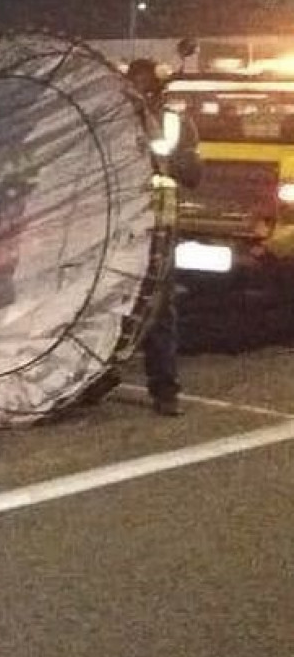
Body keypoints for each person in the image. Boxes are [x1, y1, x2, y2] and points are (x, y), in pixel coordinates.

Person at [128, 57, 201, 416]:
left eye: (145, 83)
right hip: (121, 229)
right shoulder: (110, 120)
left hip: (154, 227)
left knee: (157, 307)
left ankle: (164, 388)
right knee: (131, 307)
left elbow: (191, 171)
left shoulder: (171, 122)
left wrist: (173, 162)